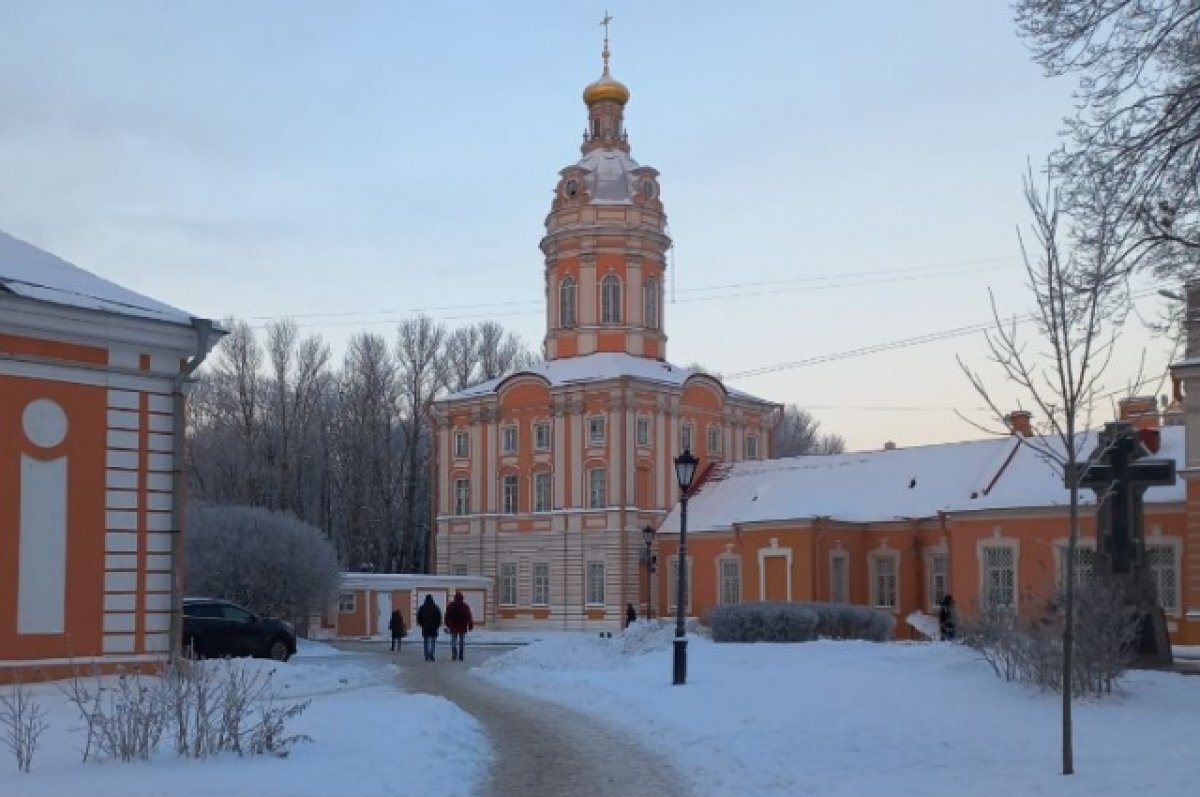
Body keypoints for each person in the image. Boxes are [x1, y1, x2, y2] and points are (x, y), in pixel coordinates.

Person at [444, 591, 475, 662]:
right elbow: (469, 616)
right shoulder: (465, 606)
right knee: (461, 641)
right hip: (462, 626)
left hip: (453, 626)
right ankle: (461, 654)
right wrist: (470, 625)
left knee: (453, 640)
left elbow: (447, 616)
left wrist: (448, 624)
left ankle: (454, 652)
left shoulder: (450, 606)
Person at [417, 594, 443, 661]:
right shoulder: (435, 607)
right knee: (433, 642)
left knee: (425, 642)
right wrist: (437, 625)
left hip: (425, 627)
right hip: (434, 627)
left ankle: (426, 655)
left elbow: (419, 618)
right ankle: (431, 654)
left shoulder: (422, 607)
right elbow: (439, 617)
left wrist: (422, 624)